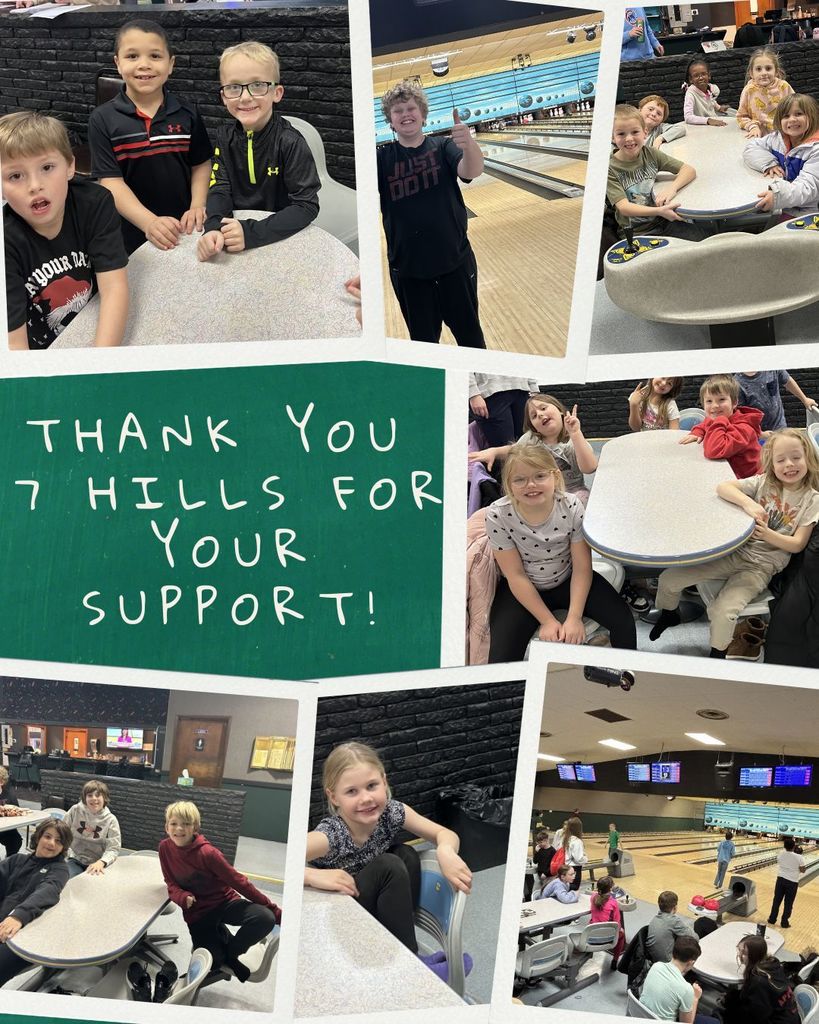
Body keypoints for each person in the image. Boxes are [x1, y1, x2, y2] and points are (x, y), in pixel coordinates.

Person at [305, 742, 472, 982]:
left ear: (384, 781)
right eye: (351, 791)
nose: (366, 798)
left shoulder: (392, 812)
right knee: (389, 865)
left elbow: (445, 834)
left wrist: (446, 851)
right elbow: (284, 856)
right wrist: (312, 875)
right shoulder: (332, 834)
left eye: (372, 786)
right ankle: (411, 964)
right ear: (334, 797)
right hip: (343, 922)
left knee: (405, 853)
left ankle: (399, 949)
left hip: (376, 914)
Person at [652, 427, 819, 659]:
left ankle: (717, 654)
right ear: (771, 463)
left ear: (808, 459)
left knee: (723, 611)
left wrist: (767, 534)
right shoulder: (763, 483)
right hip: (734, 552)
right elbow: (723, 487)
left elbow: (798, 544)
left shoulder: (812, 499)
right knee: (669, 578)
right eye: (781, 460)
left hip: (761, 567)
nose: (789, 464)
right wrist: (748, 504)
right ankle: (671, 614)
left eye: (796, 458)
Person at [483, 442, 637, 662]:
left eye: (539, 476)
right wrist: (546, 620)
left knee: (623, 621)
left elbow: (583, 567)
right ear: (508, 484)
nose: (531, 485)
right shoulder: (497, 514)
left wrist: (574, 617)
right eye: (519, 479)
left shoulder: (571, 505)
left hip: (568, 577)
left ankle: (626, 677)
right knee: (500, 655)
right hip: (524, 587)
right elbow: (514, 575)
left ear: (554, 476)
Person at [1, 111, 129, 350]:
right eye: (15, 175)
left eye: (47, 167)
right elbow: (14, 345)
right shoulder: (5, 240)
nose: (35, 185)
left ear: (70, 166)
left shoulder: (95, 203)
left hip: (90, 322)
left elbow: (114, 288)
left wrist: (100, 365)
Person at [377, 79, 486, 348]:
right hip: (409, 272)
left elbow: (471, 171)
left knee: (472, 341)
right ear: (390, 120)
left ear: (423, 115)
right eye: (398, 110)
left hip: (455, 265)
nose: (405, 114)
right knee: (424, 348)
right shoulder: (381, 158)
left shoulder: (443, 147)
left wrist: (468, 144)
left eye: (411, 108)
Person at [88, 19, 212, 255]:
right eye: (132, 56)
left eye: (155, 56)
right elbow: (110, 181)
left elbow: (201, 164)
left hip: (185, 225)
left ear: (171, 64)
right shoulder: (102, 119)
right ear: (117, 63)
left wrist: (198, 204)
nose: (144, 65)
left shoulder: (187, 113)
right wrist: (148, 222)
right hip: (131, 230)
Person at [198, 41, 319, 261]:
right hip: (234, 239)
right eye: (234, 87)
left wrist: (251, 233)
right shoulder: (224, 137)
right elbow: (220, 188)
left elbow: (306, 206)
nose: (245, 97)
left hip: (279, 238)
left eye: (258, 85)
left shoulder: (290, 142)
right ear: (224, 97)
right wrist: (214, 226)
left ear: (277, 92)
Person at [159, 800, 280, 980]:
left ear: (195, 827)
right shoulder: (164, 848)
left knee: (264, 918)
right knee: (214, 962)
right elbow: (170, 882)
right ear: (167, 827)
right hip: (198, 912)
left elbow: (239, 882)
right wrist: (182, 896)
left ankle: (231, 953)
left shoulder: (208, 854)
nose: (179, 829)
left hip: (224, 902)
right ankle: (222, 945)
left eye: (186, 824)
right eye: (174, 823)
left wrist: (274, 910)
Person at [470, 393, 597, 505]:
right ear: (534, 427)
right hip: (541, 492)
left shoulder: (573, 440)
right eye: (534, 416)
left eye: (543, 408)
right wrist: (494, 451)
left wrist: (575, 434)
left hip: (573, 491)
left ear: (559, 410)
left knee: (581, 500)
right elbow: (514, 450)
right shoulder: (531, 439)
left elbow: (589, 467)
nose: (540, 414)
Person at [607, 105, 704, 241]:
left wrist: (671, 189)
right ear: (612, 137)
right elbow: (624, 208)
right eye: (621, 134)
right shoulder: (610, 168)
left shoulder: (651, 154)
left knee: (701, 241)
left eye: (635, 132)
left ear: (645, 133)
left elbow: (689, 170)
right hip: (635, 233)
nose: (629, 138)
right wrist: (659, 211)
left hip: (663, 222)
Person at [0, 817, 72, 987]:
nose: (51, 843)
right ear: (38, 837)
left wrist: (18, 916)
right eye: (47, 836)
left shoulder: (60, 869)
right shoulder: (16, 860)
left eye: (58, 841)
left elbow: (47, 892)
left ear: (63, 847)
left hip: (24, 933)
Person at [744, 94, 819, 219]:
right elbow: (751, 147)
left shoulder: (815, 150)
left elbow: (808, 188)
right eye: (786, 116)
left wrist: (778, 196)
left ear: (813, 116)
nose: (792, 119)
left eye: (799, 114)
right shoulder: (777, 138)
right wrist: (769, 164)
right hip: (783, 202)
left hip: (807, 211)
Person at [678, 374, 763, 478]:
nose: (715, 406)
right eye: (709, 401)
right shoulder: (716, 418)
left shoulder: (744, 428)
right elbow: (705, 423)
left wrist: (720, 420)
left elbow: (714, 451)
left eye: (721, 399)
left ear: (734, 402)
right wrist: (698, 432)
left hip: (751, 479)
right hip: (727, 472)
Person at [723, 934, 800, 1023]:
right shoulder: (773, 964)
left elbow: (756, 1016)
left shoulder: (759, 981)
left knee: (730, 1011)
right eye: (739, 950)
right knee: (733, 997)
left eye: (744, 953)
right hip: (790, 1015)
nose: (739, 954)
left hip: (779, 1020)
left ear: (754, 956)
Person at [641, 934, 718, 1022]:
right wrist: (695, 998)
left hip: (640, 1017)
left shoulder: (656, 966)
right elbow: (686, 1023)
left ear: (673, 952)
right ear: (691, 963)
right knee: (715, 1022)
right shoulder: (686, 989)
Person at [63, 780, 122, 878]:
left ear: (104, 798)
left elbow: (113, 848)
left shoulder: (111, 820)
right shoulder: (75, 810)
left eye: (98, 795)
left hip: (97, 862)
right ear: (84, 798)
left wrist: (102, 862)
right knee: (68, 880)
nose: (94, 798)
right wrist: (66, 852)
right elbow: (63, 832)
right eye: (90, 795)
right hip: (74, 858)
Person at [734, 369, 817, 436]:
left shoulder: (772, 368)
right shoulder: (737, 383)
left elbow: (787, 380)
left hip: (780, 427)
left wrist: (804, 399)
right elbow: (742, 416)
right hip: (760, 435)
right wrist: (760, 434)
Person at [469, 374, 540, 448]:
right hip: (490, 393)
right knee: (504, 450)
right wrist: (473, 393)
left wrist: (533, 388)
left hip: (523, 390)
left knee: (530, 445)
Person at [737, 48, 793, 139]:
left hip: (785, 134)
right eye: (758, 69)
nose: (763, 73)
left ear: (776, 71)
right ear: (751, 73)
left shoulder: (784, 87)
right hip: (759, 137)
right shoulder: (749, 90)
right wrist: (753, 127)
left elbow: (796, 109)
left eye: (768, 68)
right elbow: (741, 116)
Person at [646, 890, 697, 963]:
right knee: (700, 925)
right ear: (675, 907)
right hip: (668, 963)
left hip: (654, 960)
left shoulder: (655, 919)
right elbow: (695, 938)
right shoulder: (673, 921)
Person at [768, 836, 807, 928]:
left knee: (776, 900)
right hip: (792, 882)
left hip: (780, 880)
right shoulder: (799, 857)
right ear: (793, 847)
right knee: (788, 903)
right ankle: (784, 923)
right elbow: (803, 870)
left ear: (784, 846)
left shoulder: (780, 853)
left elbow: (780, 863)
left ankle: (772, 919)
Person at [589, 875, 625, 968]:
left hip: (591, 935)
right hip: (606, 937)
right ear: (610, 888)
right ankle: (615, 960)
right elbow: (617, 923)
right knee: (622, 935)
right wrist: (620, 929)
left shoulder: (593, 897)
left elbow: (596, 897)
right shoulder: (613, 903)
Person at [682, 59, 729, 126]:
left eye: (703, 74)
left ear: (709, 75)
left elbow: (711, 101)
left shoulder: (708, 88)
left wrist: (719, 108)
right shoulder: (690, 94)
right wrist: (708, 120)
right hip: (701, 127)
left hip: (713, 121)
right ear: (691, 79)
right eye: (696, 75)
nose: (701, 78)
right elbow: (688, 117)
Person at [552, 817, 588, 890]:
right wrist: (585, 858)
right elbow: (579, 859)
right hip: (574, 868)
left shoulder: (566, 839)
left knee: (567, 888)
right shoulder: (577, 841)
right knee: (574, 888)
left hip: (566, 867)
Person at [0, 769, 22, 859]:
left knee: (16, 840)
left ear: (1, 782)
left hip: (6, 827)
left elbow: (16, 810)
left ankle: (9, 861)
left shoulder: (9, 794)